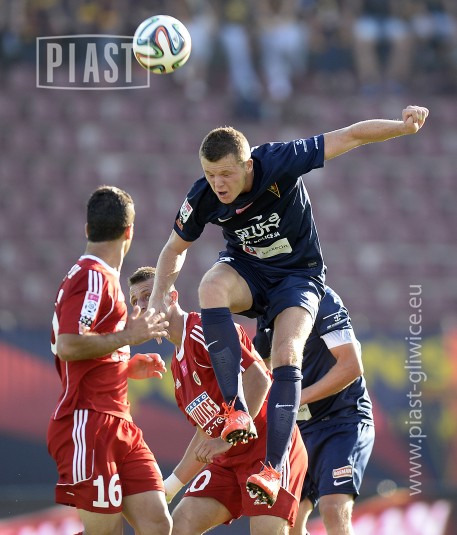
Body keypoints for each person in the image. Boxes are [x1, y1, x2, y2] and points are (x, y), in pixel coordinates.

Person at [149, 105, 429, 506]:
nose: (218, 184)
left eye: (226, 174)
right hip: (248, 269)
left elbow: (349, 135)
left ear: (248, 165)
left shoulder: (279, 161)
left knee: (286, 353)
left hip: (298, 276)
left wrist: (402, 127)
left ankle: (271, 468)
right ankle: (235, 409)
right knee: (211, 285)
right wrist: (159, 296)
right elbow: (173, 249)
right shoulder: (203, 195)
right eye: (210, 174)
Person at [128, 266, 307, 532]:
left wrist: (225, 440)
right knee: (181, 525)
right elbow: (207, 431)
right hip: (228, 460)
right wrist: (170, 487)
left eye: (147, 295)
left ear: (172, 297)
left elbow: (258, 378)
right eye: (134, 301)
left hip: (267, 449)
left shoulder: (204, 329)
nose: (141, 306)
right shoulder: (176, 367)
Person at [47, 186, 172, 535]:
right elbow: (69, 345)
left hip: (119, 422)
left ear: (88, 229)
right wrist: (129, 338)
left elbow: (89, 345)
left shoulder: (102, 278)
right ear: (130, 231)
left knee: (158, 524)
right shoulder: (93, 276)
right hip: (88, 421)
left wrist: (124, 365)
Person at [255, 286, 374, 535]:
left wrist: (294, 400)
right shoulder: (267, 308)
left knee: (333, 508)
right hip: (298, 429)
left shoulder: (323, 300)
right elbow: (263, 369)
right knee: (288, 523)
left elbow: (351, 366)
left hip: (342, 420)